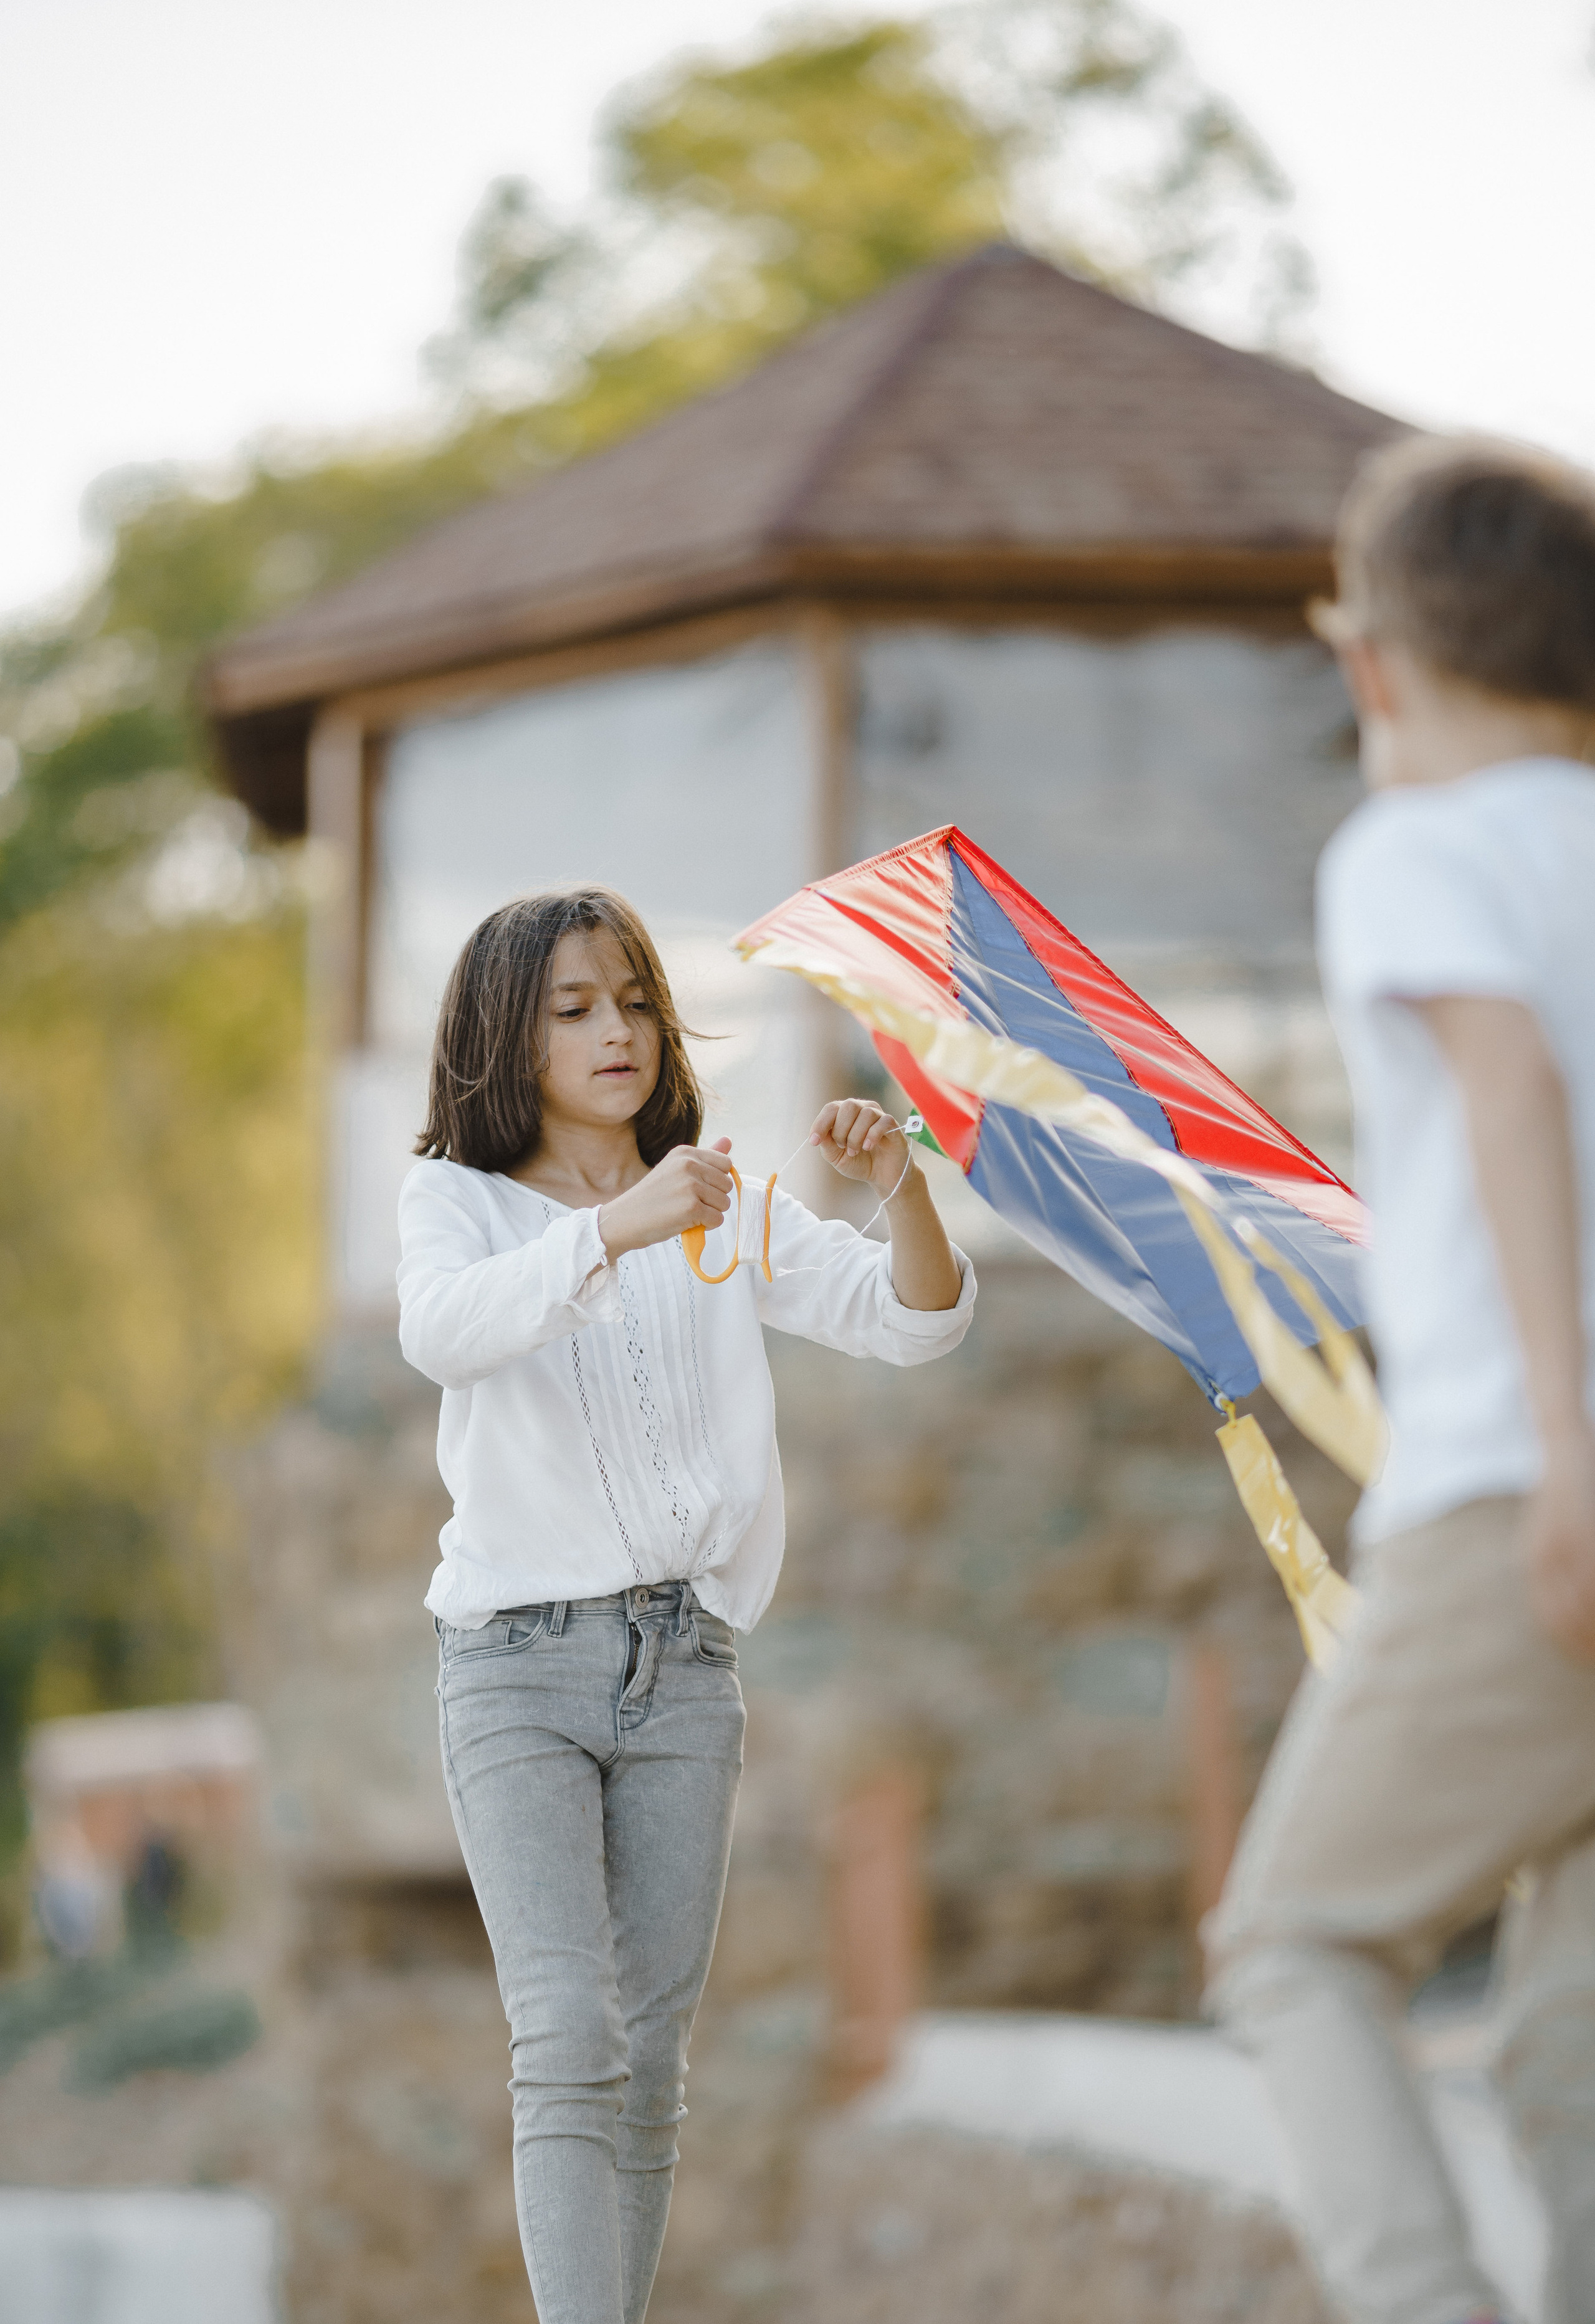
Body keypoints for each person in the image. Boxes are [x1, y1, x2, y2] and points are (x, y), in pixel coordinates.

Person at [396, 885, 974, 2324]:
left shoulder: (720, 1198)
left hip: (688, 1667)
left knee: (649, 2054)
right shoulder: (452, 1202)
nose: (617, 1030)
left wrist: (900, 1178)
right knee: (570, 2031)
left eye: (636, 999)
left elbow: (915, 1321)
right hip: (515, 1667)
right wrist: (614, 1231)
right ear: (500, 1035)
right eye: (574, 1006)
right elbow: (441, 1332)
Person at [1205, 435, 1595, 2324]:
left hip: (1525, 1489)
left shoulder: (1414, 848)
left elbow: (1510, 1082)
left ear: (1367, 661)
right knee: (1576, 2047)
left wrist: (1573, 1457)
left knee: (1292, 1943)